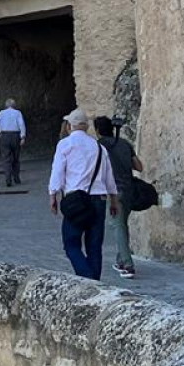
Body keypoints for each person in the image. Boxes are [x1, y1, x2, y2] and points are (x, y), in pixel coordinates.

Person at [48, 107, 118, 280]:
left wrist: (53, 196)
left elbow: (57, 172)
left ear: (70, 126)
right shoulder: (99, 147)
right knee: (94, 246)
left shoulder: (65, 145)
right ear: (86, 127)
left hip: (76, 200)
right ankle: (95, 283)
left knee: (71, 244)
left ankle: (87, 279)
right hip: (98, 200)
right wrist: (114, 200)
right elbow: (109, 176)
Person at [95, 115, 144, 279]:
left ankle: (128, 264)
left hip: (113, 190)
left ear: (97, 131)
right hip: (129, 189)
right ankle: (120, 259)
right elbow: (139, 166)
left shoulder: (99, 146)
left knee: (118, 225)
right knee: (122, 225)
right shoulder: (124, 144)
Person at [0, 97, 26, 186]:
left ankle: (8, 179)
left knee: (6, 158)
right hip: (15, 136)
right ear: (14, 105)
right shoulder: (18, 113)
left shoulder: (1, 113)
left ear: (6, 105)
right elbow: (21, 124)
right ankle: (16, 178)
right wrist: (22, 137)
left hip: (4, 136)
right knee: (16, 158)